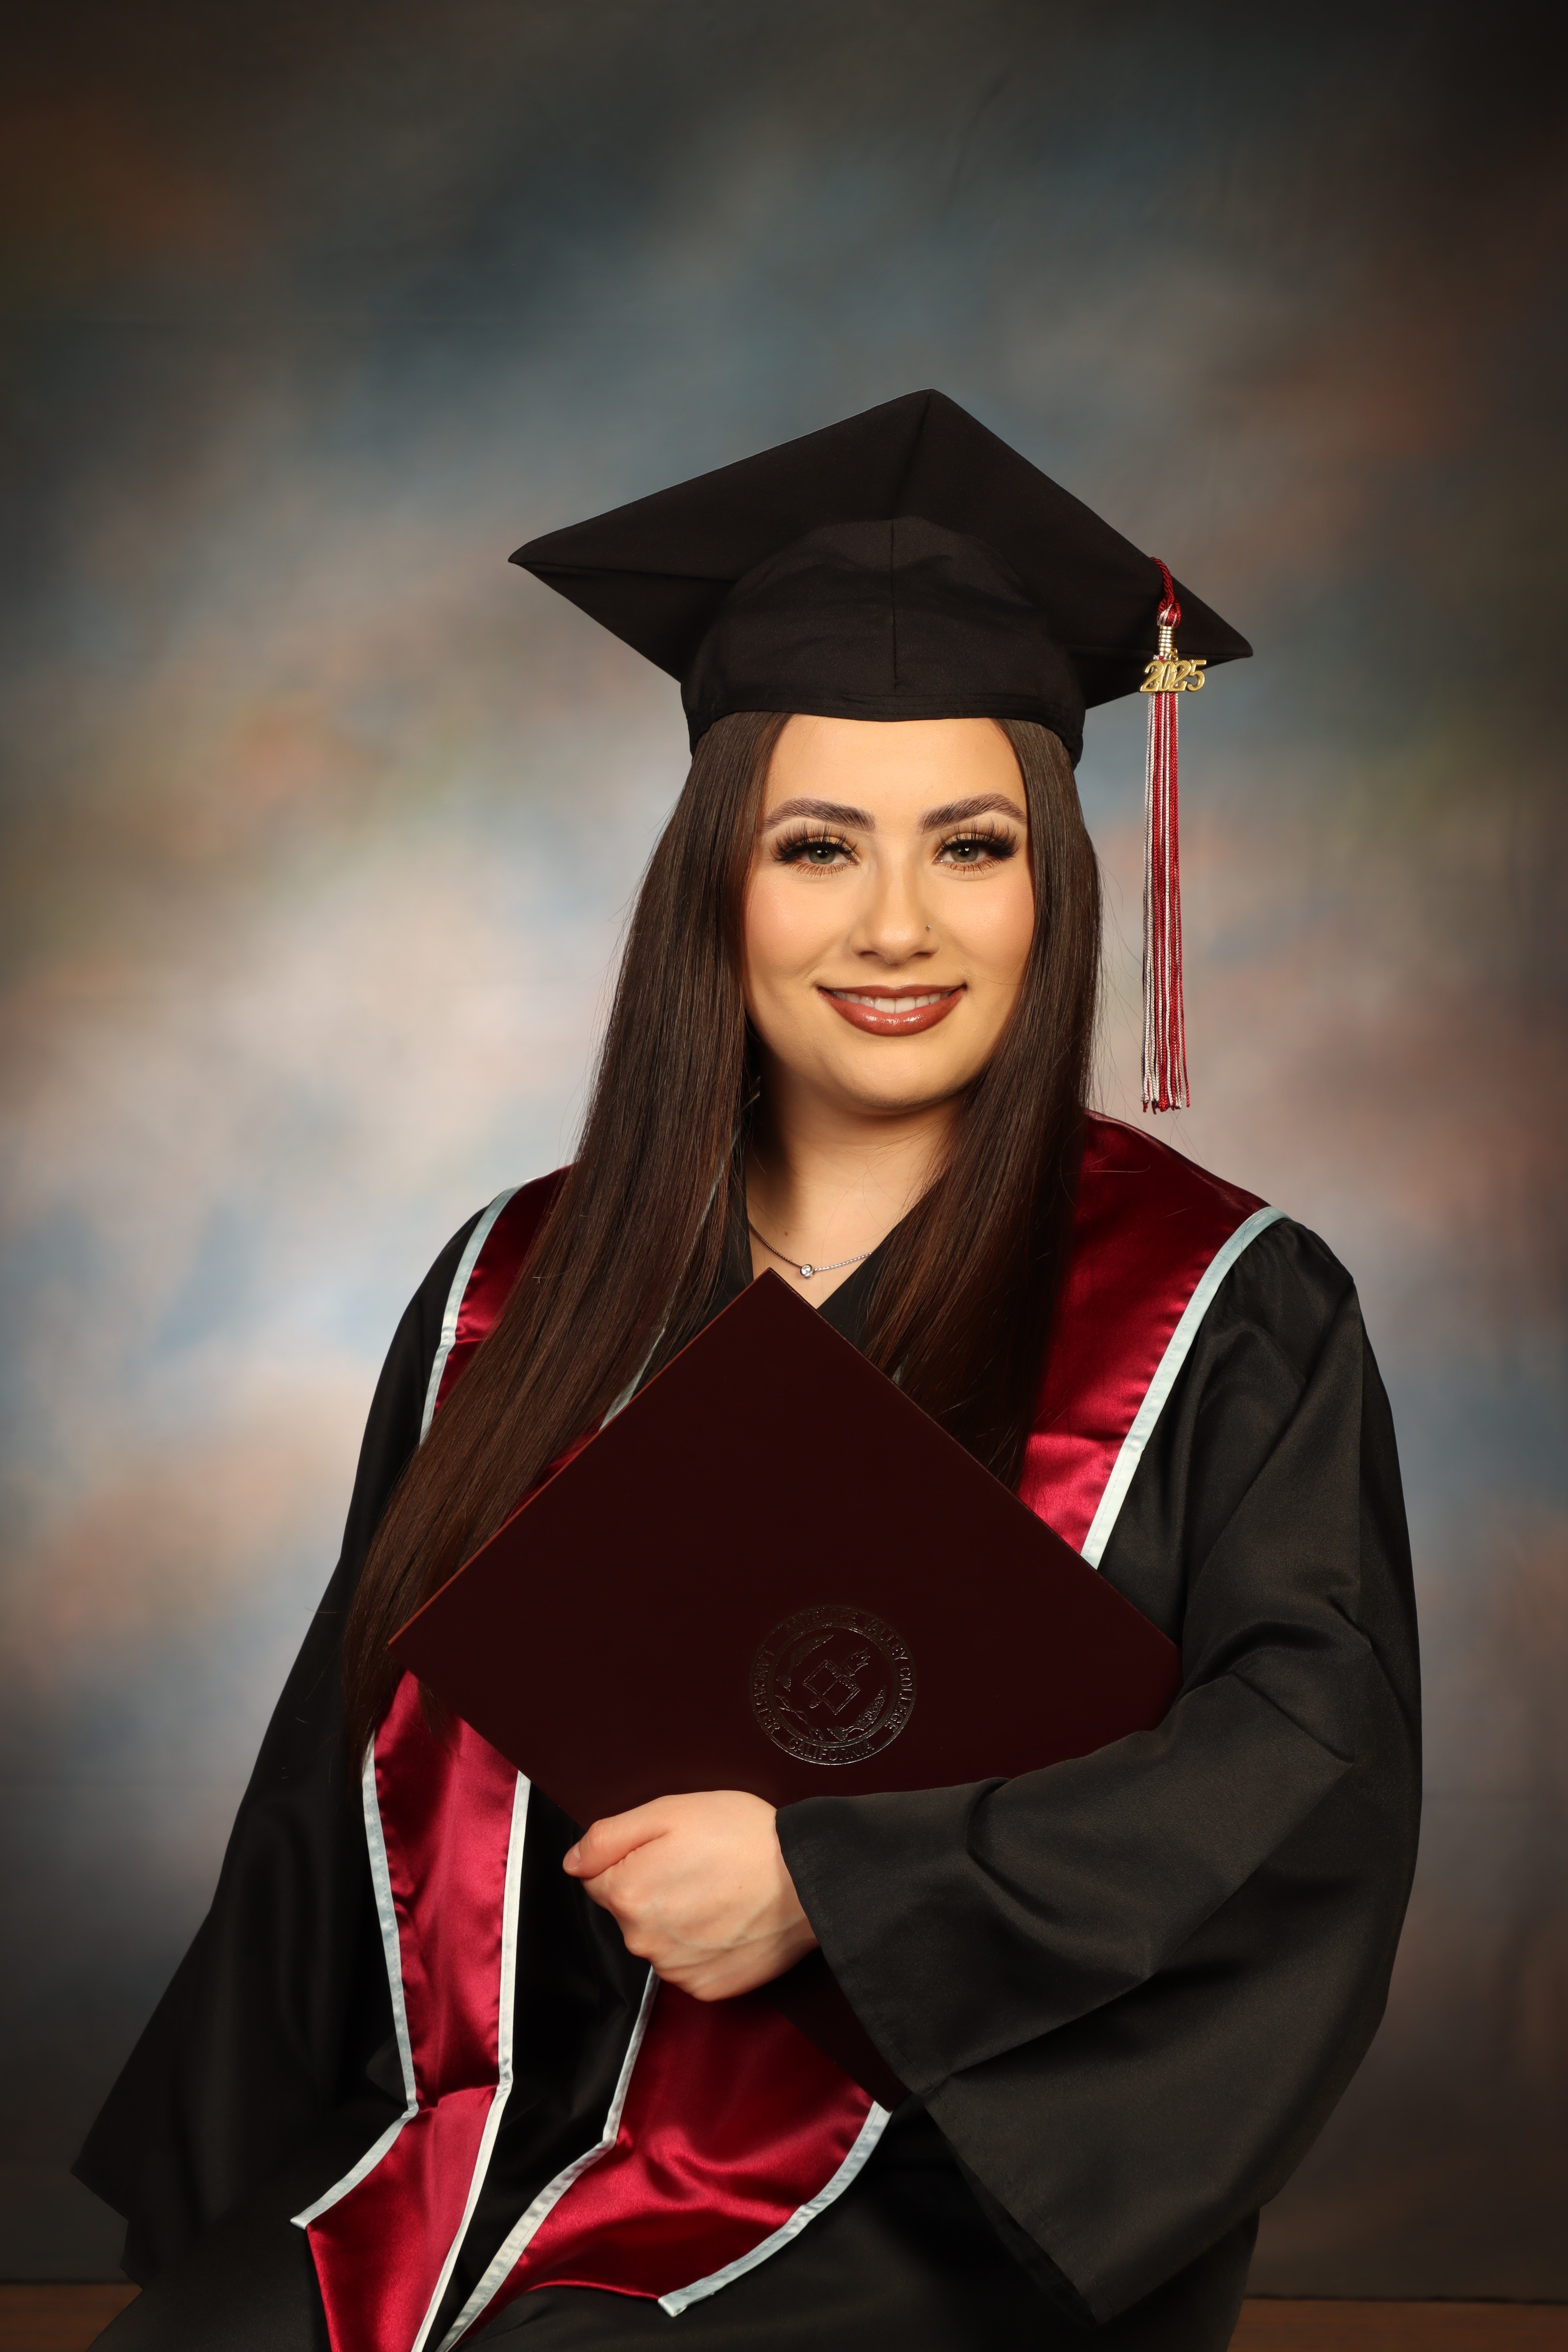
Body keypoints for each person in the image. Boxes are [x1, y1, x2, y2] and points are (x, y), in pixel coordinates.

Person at [76, 392, 1420, 2352]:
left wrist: (838, 1884)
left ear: (1051, 884)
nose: (897, 925)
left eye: (970, 846)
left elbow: (1305, 1772)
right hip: (484, 2153)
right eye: (818, 845)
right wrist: (235, 2226)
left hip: (934, 2208)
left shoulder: (1227, 1308)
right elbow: (330, 1802)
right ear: (719, 880)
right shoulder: (508, 1290)